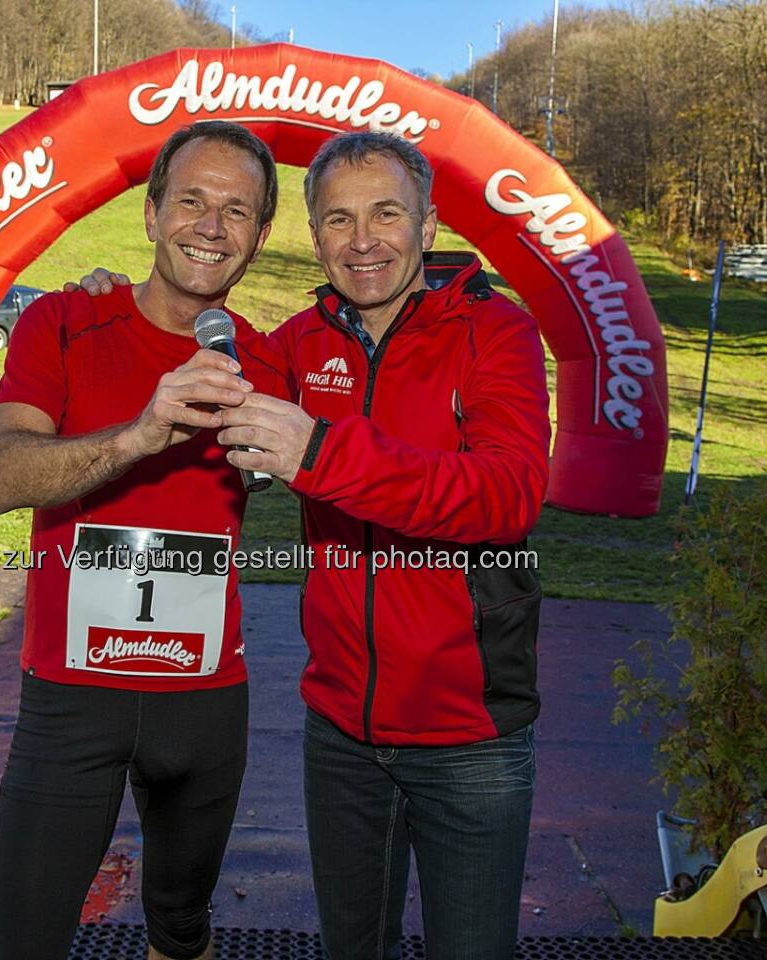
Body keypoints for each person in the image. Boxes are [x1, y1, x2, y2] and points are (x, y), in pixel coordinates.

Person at [76, 131, 552, 959]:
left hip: (468, 732)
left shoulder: (495, 333)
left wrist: (322, 455)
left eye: (386, 214)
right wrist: (117, 299)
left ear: (429, 225)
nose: (362, 240)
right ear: (314, 233)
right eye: (338, 219)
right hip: (339, 726)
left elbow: (506, 496)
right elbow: (192, 352)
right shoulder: (302, 342)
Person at [0, 120, 288, 960]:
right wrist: (138, 435)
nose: (210, 226)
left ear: (259, 236)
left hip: (204, 703)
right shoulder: (62, 323)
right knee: (23, 939)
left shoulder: (270, 362)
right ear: (150, 216)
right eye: (190, 201)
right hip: (73, 699)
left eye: (236, 211)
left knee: (181, 933)